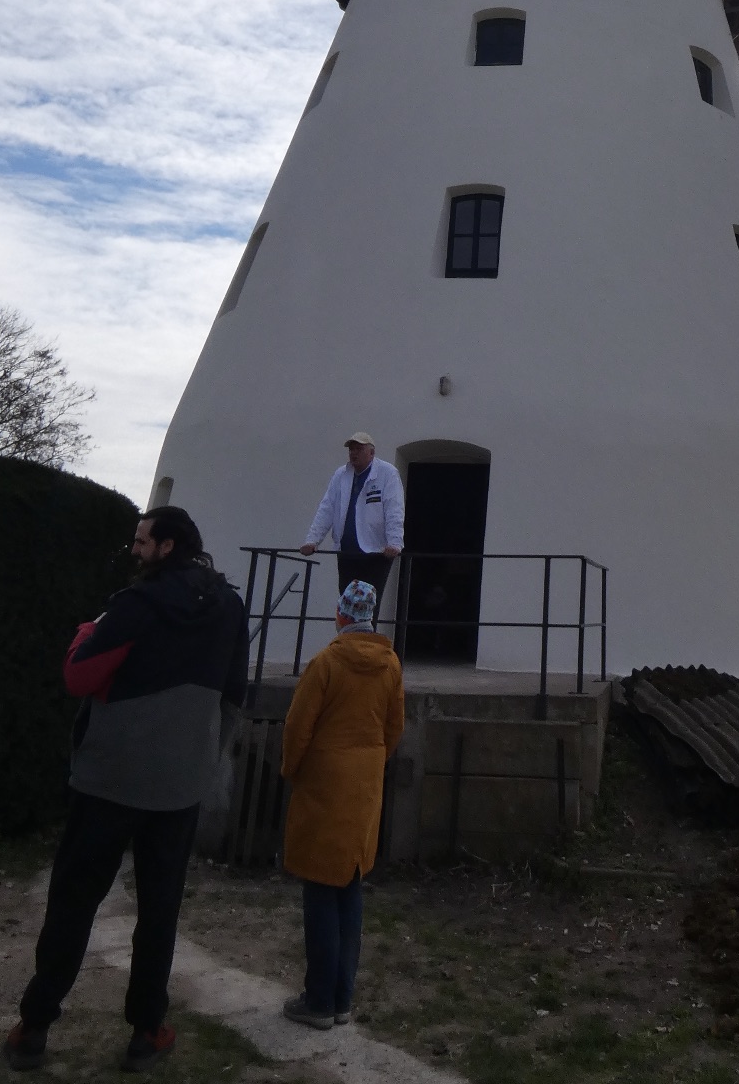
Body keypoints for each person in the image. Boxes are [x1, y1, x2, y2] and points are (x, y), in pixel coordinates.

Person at [3, 508, 248, 1074]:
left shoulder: (135, 605)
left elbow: (78, 676)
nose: (133, 549)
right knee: (159, 911)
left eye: (141, 541)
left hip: (109, 780)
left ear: (165, 547)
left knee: (73, 902)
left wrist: (87, 632)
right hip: (180, 783)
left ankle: (34, 1026)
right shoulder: (231, 606)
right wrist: (204, 757)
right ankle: (146, 1030)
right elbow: (236, 691)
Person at [279, 579, 405, 1029]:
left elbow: (298, 726)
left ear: (340, 615)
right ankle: (343, 998)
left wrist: (291, 769)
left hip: (324, 782)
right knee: (350, 884)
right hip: (365, 782)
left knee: (318, 889)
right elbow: (395, 727)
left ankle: (318, 1002)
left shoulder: (326, 663)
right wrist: (372, 762)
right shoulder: (391, 665)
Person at [300, 433, 404, 613]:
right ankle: (347, 640)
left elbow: (394, 509)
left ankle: (366, 640)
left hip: (375, 553)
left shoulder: (387, 473)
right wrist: (312, 541)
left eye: (359, 449)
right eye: (351, 449)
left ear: (371, 453)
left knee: (369, 607)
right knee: (347, 605)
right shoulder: (341, 474)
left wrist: (394, 543)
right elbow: (327, 508)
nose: (353, 453)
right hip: (347, 551)